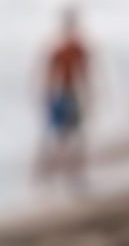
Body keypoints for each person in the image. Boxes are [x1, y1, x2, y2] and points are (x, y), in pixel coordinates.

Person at [36, 9, 92, 186]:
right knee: (65, 135)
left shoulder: (70, 47)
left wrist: (47, 96)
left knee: (67, 135)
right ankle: (60, 172)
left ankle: (64, 172)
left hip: (67, 93)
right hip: (65, 94)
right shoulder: (67, 48)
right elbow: (52, 75)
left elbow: (83, 73)